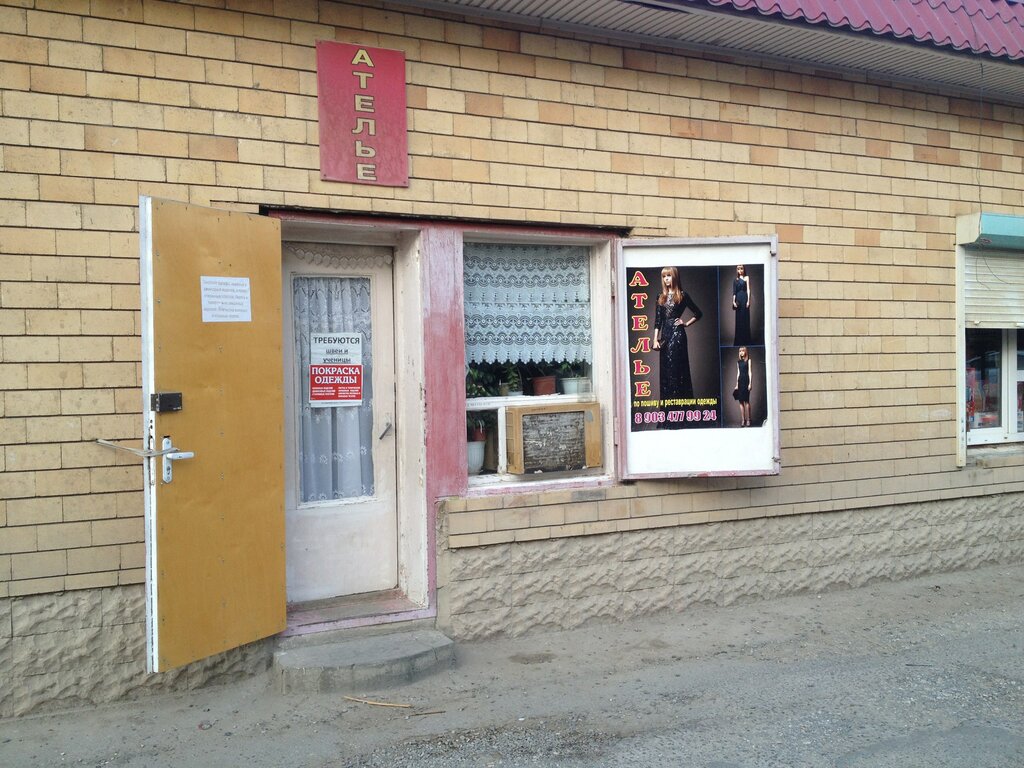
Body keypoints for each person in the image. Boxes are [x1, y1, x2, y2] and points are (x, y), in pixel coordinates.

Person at [653, 266, 702, 406]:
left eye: (668, 276)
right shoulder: (660, 297)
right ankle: (669, 411)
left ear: (674, 277)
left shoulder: (682, 295)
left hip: (678, 336)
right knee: (666, 372)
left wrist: (685, 323)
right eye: (664, 276)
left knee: (679, 371)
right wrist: (655, 339)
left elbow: (698, 313)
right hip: (665, 337)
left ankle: (682, 410)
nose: (666, 279)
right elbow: (658, 321)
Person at [732, 264, 751, 346]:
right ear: (737, 270)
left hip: (744, 299)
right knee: (739, 319)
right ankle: (739, 340)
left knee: (745, 318)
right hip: (738, 300)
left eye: (741, 268)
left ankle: (746, 339)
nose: (740, 270)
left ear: (744, 269)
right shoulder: (735, 280)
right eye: (738, 269)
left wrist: (748, 300)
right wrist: (733, 301)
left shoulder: (747, 278)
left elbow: (748, 289)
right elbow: (734, 292)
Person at [734, 346, 752, 427]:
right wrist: (736, 384)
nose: (741, 352)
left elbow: (750, 372)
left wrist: (750, 383)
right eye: (740, 351)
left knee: (746, 401)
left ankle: (748, 420)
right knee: (740, 401)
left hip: (746, 381)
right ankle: (743, 420)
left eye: (743, 351)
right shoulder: (738, 362)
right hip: (740, 381)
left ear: (745, 352)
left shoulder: (749, 360)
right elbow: (738, 373)